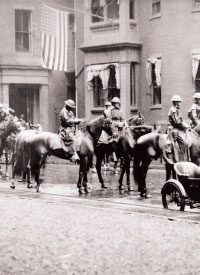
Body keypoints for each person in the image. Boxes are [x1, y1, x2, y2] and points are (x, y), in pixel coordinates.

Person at [168, 95, 190, 161]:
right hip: (175, 129)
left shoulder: (175, 109)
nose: (179, 104)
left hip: (178, 128)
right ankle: (181, 158)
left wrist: (186, 124)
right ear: (175, 102)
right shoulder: (173, 110)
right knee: (183, 142)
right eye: (179, 102)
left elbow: (181, 120)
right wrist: (185, 126)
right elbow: (177, 122)